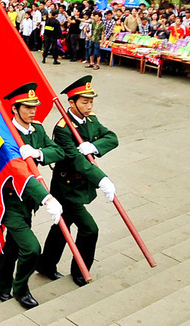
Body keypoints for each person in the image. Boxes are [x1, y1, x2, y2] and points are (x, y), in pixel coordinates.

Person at [37, 76, 118, 287]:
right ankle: (80, 271)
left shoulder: (92, 120)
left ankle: (46, 264)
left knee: (62, 226)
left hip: (82, 185)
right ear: (71, 103)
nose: (89, 106)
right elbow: (75, 161)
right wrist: (102, 180)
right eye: (84, 102)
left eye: (91, 101)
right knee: (90, 229)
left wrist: (95, 146)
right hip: (67, 188)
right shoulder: (63, 128)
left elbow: (112, 137)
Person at [0, 83, 65, 308]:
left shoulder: (38, 130)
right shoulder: (6, 136)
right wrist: (47, 198)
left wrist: (39, 153)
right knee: (31, 249)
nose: (33, 111)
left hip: (28, 203)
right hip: (10, 202)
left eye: (35, 106)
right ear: (14, 108)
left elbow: (58, 151)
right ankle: (20, 289)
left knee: (13, 246)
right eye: (27, 107)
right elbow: (21, 174)